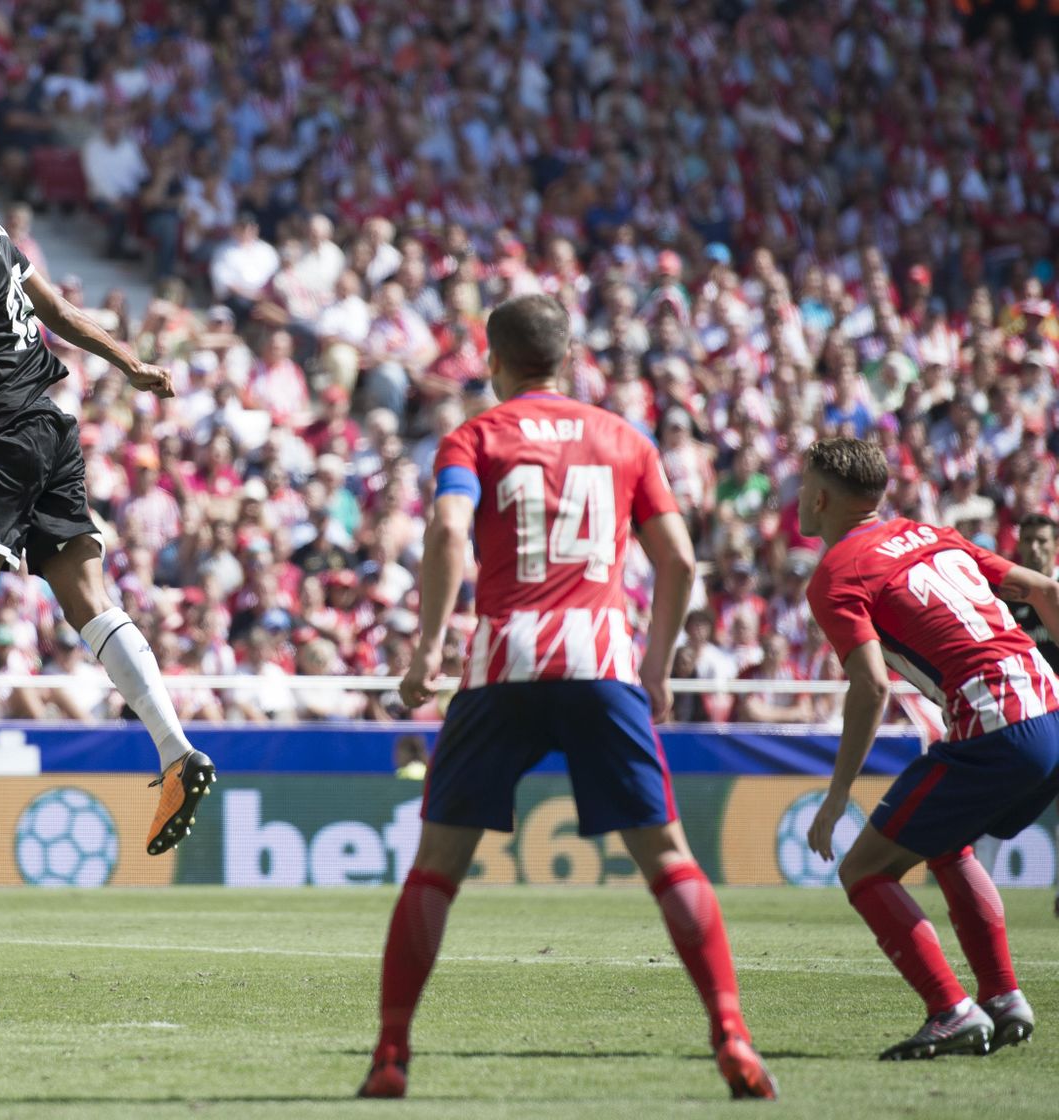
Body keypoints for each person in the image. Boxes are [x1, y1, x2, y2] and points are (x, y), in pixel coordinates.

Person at [360, 295, 775, 1101]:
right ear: (571, 357)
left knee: (437, 869)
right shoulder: (626, 438)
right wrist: (654, 668)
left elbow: (447, 533)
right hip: (601, 663)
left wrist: (428, 648)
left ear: (492, 360)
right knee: (667, 859)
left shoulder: (473, 436)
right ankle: (731, 1033)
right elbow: (681, 562)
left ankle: (391, 1054)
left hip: (502, 661)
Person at [0, 129, 213, 859]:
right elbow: (54, 312)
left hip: (1, 433)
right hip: (54, 427)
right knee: (89, 597)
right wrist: (133, 363)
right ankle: (176, 749)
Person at [800, 437, 1058, 1059]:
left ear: (823, 497)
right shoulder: (930, 533)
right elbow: (1048, 593)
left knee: (863, 869)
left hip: (996, 725)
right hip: (1049, 707)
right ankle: (1001, 997)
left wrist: (836, 799)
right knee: (945, 843)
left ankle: (951, 1009)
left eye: (804, 485)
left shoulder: (836, 573)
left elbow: (868, 686)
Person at [1008, 512, 1059, 920]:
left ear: (1054, 545)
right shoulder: (1006, 601)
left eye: (1043, 541)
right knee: (990, 814)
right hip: (1019, 725)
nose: (1035, 548)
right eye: (1028, 540)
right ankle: (981, 902)